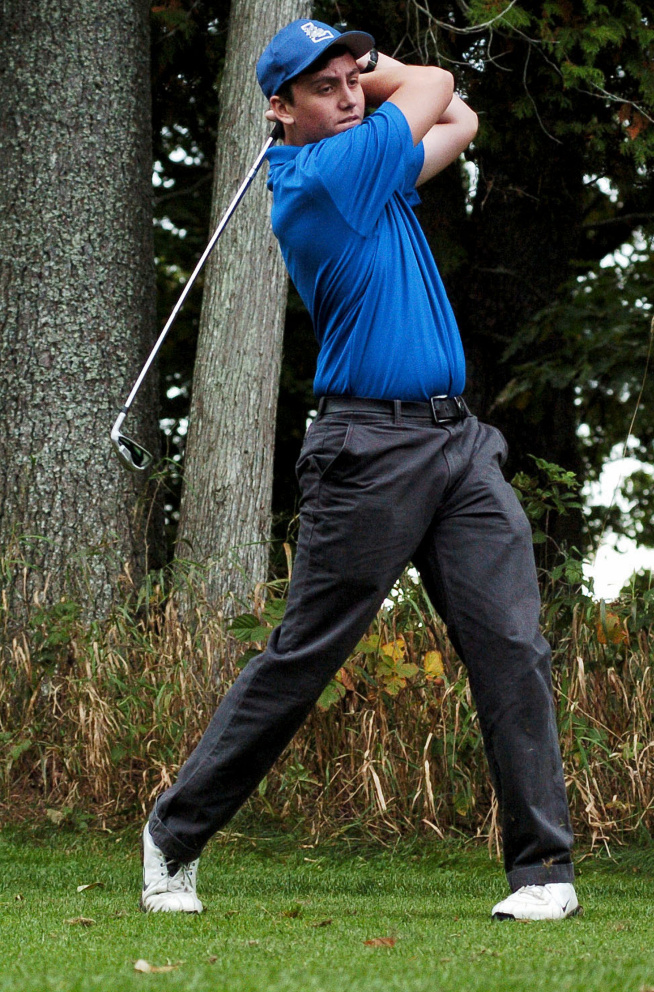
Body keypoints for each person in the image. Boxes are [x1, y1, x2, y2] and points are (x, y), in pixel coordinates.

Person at [140, 18, 580, 922]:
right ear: (279, 108)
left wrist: (352, 77)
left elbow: (458, 122)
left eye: (353, 79)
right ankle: (173, 833)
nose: (347, 94)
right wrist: (382, 69)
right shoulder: (328, 180)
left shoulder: (368, 172)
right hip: (367, 451)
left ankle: (542, 873)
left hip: (456, 444)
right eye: (325, 85)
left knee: (510, 646)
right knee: (307, 655)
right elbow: (436, 87)